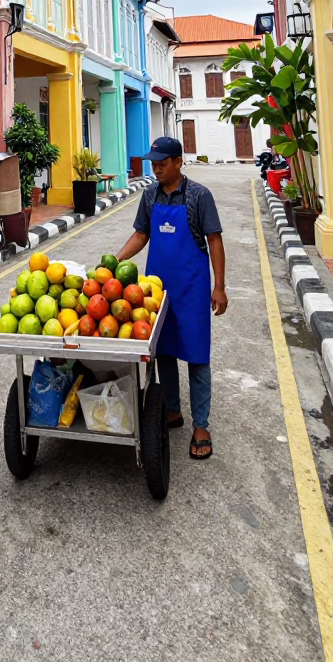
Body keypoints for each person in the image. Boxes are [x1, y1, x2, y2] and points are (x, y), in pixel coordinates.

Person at [115, 136, 227, 460]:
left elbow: (214, 241)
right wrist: (115, 261)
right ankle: (173, 410)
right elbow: (141, 235)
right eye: (154, 164)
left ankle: (201, 425)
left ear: (178, 162)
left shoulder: (199, 196)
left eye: (162, 164)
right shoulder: (149, 196)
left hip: (192, 291)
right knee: (162, 352)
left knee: (196, 356)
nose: (157, 169)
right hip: (158, 291)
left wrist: (219, 286)